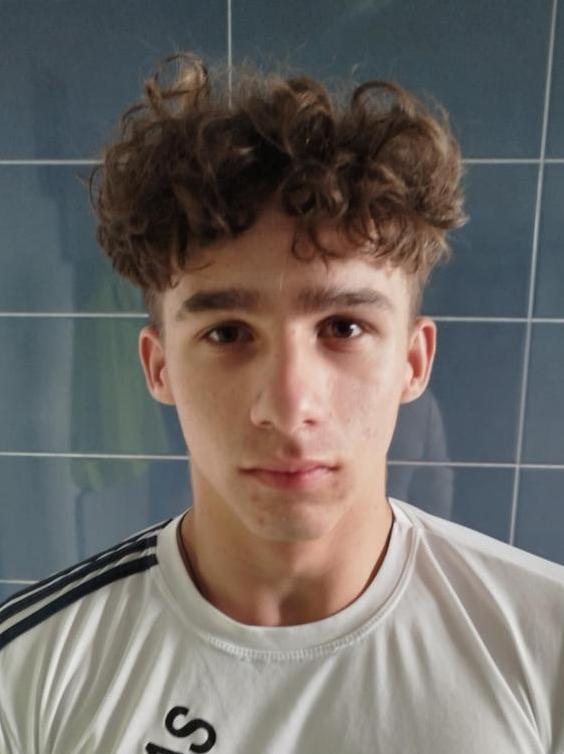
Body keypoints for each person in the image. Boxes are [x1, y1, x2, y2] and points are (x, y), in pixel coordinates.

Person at [1, 53, 563, 753]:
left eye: (344, 328)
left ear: (413, 362)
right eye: (227, 333)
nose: (290, 406)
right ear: (159, 367)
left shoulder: (546, 648)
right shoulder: (25, 672)